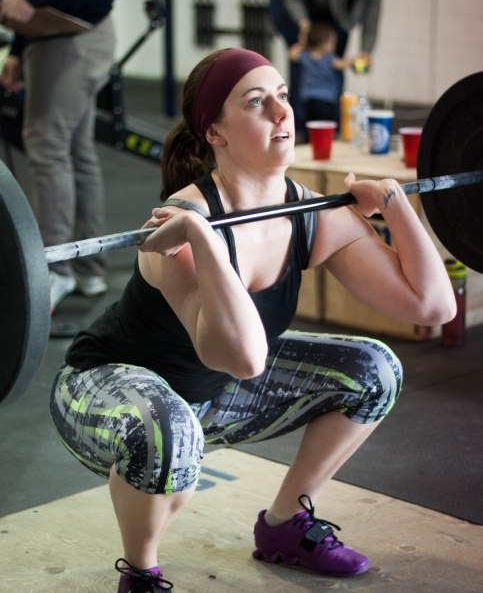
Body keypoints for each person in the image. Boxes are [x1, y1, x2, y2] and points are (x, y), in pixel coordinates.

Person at [49, 47, 455, 592]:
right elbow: (241, 357)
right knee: (170, 435)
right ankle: (141, 573)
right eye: (257, 102)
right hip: (103, 393)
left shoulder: (311, 214)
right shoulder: (174, 229)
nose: (282, 112)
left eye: (282, 96)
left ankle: (286, 525)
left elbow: (433, 307)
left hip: (211, 395)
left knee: (374, 370)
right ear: (214, 132)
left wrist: (394, 205)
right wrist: (201, 237)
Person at [0, 0, 116, 312]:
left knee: (46, 143)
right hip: (54, 36)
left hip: (74, 38)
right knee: (76, 150)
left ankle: (56, 268)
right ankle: (88, 268)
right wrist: (18, 49)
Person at [269, 0, 393, 130]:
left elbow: (371, 22)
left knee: (332, 62)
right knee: (305, 63)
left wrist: (366, 53)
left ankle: (331, 120)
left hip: (332, 10)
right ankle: (298, 125)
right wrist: (304, 26)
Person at [288, 22, 356, 131]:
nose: (334, 46)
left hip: (307, 99)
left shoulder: (305, 55)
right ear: (323, 44)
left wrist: (303, 43)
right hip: (326, 100)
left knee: (309, 128)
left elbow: (291, 54)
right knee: (325, 128)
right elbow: (343, 64)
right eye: (332, 43)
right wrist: (354, 61)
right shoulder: (330, 59)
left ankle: (309, 140)